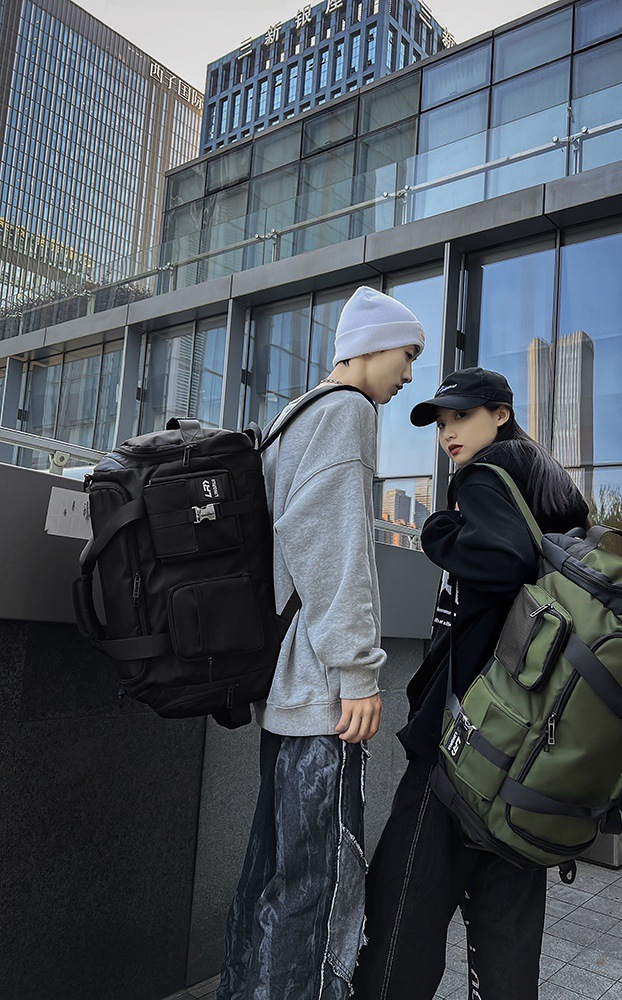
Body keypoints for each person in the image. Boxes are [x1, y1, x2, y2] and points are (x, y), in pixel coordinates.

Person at [353, 367, 589, 1000]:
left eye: (461, 416)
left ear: (500, 414)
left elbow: (502, 560)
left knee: (403, 913)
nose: (448, 433)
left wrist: (438, 530)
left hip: (462, 740)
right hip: (528, 749)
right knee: (505, 927)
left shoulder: (487, 475)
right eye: (441, 423)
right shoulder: (548, 487)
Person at [216, 286, 426, 1000]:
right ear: (369, 346)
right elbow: (334, 550)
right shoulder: (348, 412)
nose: (409, 373)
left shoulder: (296, 414)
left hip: (288, 684)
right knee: (318, 889)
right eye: (406, 354)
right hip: (320, 692)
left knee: (272, 877)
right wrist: (359, 673)